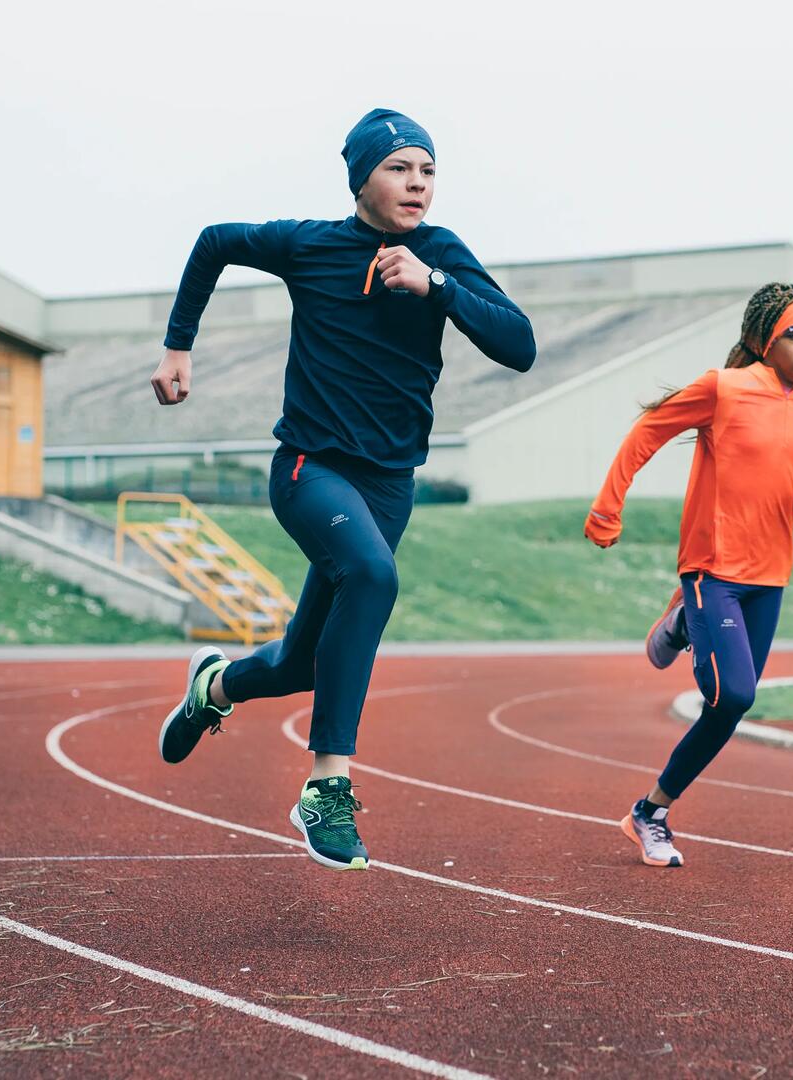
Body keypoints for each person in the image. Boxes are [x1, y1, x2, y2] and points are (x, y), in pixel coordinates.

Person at [150, 108, 536, 871]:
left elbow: (519, 345)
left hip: (390, 484)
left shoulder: (440, 255)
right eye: (399, 168)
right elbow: (215, 242)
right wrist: (178, 348)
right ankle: (327, 788)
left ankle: (215, 687)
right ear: (361, 176)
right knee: (370, 573)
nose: (417, 183)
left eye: (428, 170)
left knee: (302, 663)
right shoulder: (310, 245)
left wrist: (437, 288)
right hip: (309, 468)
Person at [585, 283, 793, 868]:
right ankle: (690, 613)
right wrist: (608, 507)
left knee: (729, 706)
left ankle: (650, 811)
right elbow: (647, 433)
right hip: (712, 568)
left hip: (769, 578)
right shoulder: (725, 388)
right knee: (731, 689)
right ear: (767, 339)